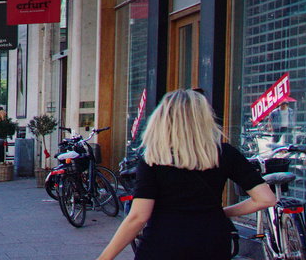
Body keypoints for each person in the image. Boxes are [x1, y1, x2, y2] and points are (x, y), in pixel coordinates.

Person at [94, 90, 276, 260]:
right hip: (213, 242)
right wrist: (222, 213)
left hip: (164, 243)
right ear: (204, 118)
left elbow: (138, 216)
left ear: (163, 119)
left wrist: (105, 257)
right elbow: (266, 199)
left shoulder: (153, 159)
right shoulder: (224, 153)